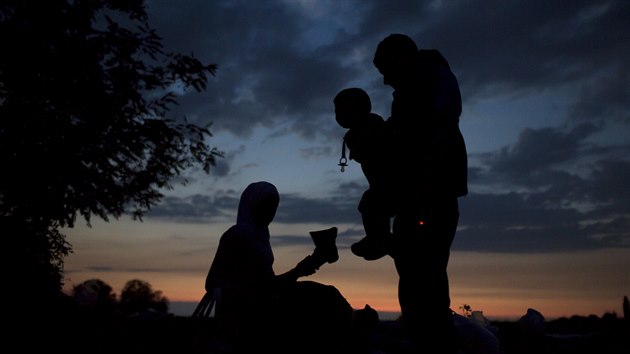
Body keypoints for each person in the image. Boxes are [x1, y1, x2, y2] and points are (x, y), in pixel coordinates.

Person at [372, 33, 468, 353]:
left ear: (402, 58)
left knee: (423, 274)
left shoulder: (428, 84)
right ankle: (424, 336)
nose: (384, 80)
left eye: (386, 69)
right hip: (419, 198)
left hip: (427, 198)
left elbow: (430, 131)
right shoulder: (418, 89)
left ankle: (431, 341)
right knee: (418, 273)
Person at [198, 181, 353, 353]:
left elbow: (269, 283)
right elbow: (215, 281)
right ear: (253, 205)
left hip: (262, 302)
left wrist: (307, 266)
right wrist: (303, 268)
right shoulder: (237, 235)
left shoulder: (261, 237)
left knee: (325, 296)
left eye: (274, 207)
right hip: (246, 312)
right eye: (266, 206)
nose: (271, 213)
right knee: (322, 297)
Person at [333, 87, 394, 260]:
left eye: (341, 111)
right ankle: (378, 238)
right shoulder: (360, 132)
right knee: (370, 204)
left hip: (388, 183)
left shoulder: (370, 129)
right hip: (381, 184)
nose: (338, 117)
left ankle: (379, 239)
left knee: (371, 203)